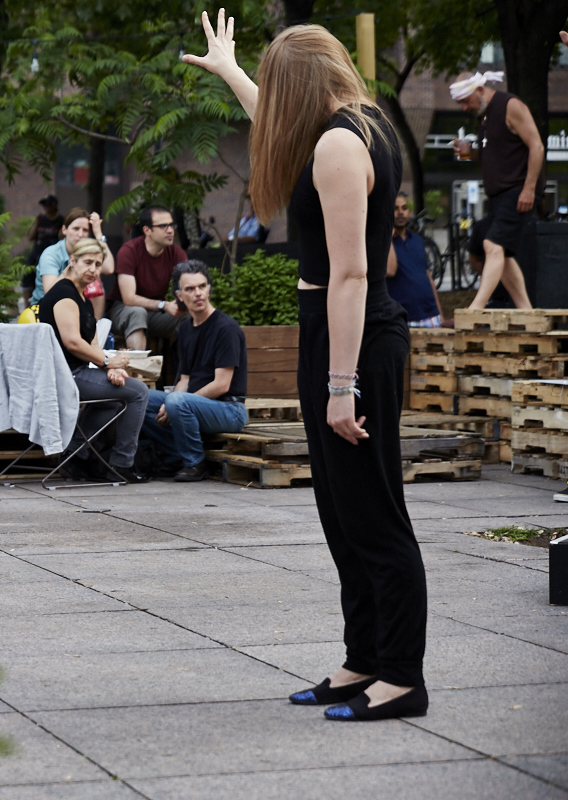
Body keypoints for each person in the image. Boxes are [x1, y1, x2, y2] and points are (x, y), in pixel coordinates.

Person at [186, 11, 427, 721]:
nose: (270, 99)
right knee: (341, 510)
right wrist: (230, 69)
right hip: (334, 331)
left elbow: (354, 274)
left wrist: (340, 385)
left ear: (300, 84)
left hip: (354, 336)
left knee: (374, 514)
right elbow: (277, 121)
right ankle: (363, 659)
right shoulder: (353, 127)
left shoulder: (340, 148)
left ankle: (402, 676)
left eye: (271, 84)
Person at [39, 238, 150, 483]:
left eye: (98, 264)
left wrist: (110, 369)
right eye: (88, 262)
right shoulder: (64, 294)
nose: (93, 269)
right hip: (65, 376)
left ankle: (77, 454)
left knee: (116, 396)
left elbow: (92, 343)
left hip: (76, 372)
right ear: (73, 261)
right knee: (139, 391)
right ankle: (122, 464)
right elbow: (73, 342)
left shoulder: (83, 299)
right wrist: (108, 363)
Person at [141, 260, 248, 482]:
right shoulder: (186, 329)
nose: (198, 293)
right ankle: (174, 456)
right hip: (195, 404)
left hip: (229, 409)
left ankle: (195, 463)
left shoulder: (226, 328)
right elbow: (185, 379)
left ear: (209, 288)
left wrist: (177, 402)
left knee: (177, 401)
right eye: (190, 289)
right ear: (179, 295)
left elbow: (222, 384)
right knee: (138, 397)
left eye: (202, 286)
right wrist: (171, 402)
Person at [450, 71, 542, 310]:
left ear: (480, 90)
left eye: (465, 101)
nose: (463, 108)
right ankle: (526, 311)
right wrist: (467, 151)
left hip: (518, 190)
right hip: (499, 195)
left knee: (491, 245)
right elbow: (492, 155)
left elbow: (537, 146)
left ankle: (476, 308)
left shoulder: (510, 106)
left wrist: (529, 189)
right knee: (505, 255)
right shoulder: (483, 116)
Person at [106, 206, 188, 353]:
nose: (170, 230)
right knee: (137, 312)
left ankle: (186, 373)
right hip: (122, 310)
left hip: (155, 314)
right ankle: (138, 374)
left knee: (191, 317)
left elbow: (189, 283)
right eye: (163, 226)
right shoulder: (129, 251)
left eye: (171, 225)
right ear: (147, 231)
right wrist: (164, 305)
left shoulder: (176, 253)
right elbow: (128, 298)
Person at [32, 208, 114, 320]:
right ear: (64, 230)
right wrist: (73, 269)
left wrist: (98, 234)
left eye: (85, 230)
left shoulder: (88, 252)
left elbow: (109, 268)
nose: (80, 234)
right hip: (45, 308)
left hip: (77, 304)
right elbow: (50, 291)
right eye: (76, 229)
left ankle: (95, 328)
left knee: (95, 282)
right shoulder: (51, 253)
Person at [387, 193, 444, 327]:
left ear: (409, 212)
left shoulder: (418, 240)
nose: (400, 212)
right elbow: (390, 270)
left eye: (404, 208)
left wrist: (440, 313)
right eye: (395, 208)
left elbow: (428, 277)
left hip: (431, 315)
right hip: (404, 318)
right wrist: (387, 236)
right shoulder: (384, 243)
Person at [23, 195, 64, 303]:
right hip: (37, 253)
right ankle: (27, 308)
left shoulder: (61, 221)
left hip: (52, 255)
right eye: (44, 205)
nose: (46, 207)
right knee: (27, 279)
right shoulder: (41, 219)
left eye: (48, 204)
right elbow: (31, 237)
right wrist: (37, 222)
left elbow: (62, 238)